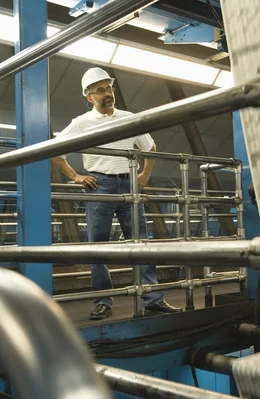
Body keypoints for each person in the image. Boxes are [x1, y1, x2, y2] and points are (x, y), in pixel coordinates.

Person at [52, 67, 182, 320]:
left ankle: (152, 299)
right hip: (99, 186)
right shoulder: (81, 123)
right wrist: (77, 176)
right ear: (89, 97)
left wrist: (144, 174)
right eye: (100, 91)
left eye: (109, 88)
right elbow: (57, 153)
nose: (107, 93)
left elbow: (150, 146)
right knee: (97, 247)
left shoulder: (128, 117)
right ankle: (103, 301)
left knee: (141, 242)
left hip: (128, 183)